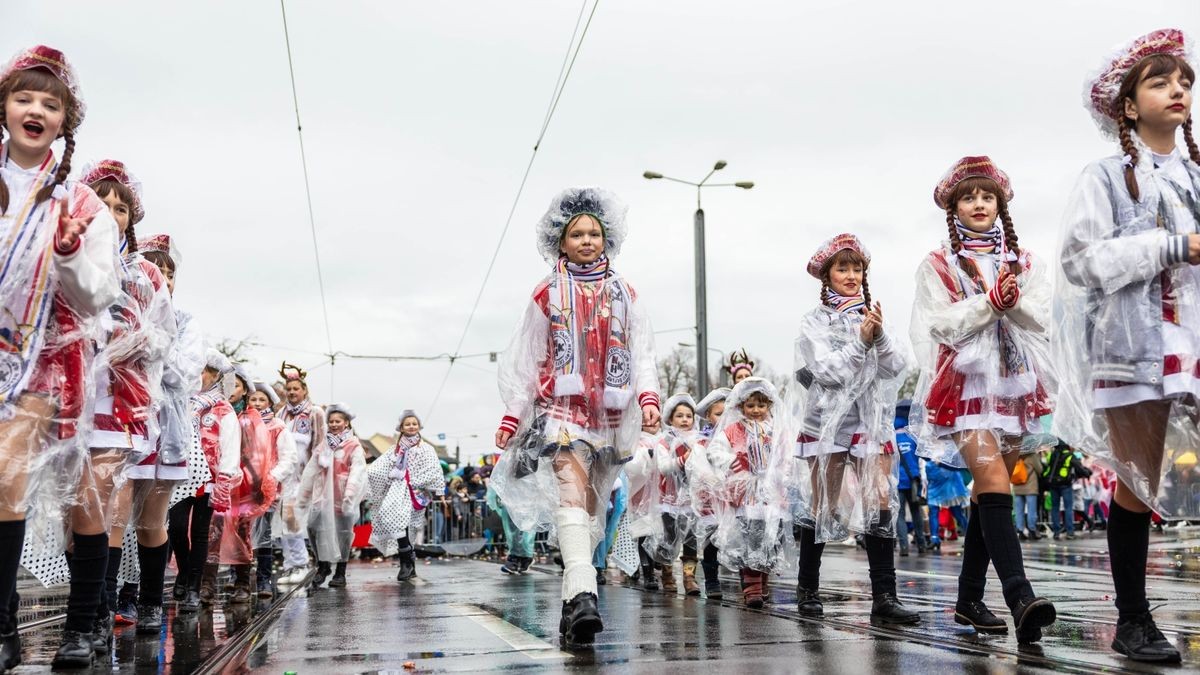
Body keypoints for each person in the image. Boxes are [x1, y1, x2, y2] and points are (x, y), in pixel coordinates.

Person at [1055, 29, 1199, 662]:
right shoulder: (1107, 177)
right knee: (1137, 481)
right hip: (1134, 349)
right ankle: (1133, 621)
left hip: (1192, 343)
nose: (1178, 89)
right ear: (1128, 105)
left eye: (1185, 79)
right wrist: (1172, 245)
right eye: (1160, 80)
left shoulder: (1195, 174)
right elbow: (1080, 261)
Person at [491, 187, 660, 649]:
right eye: (577, 234)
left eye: (594, 233)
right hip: (561, 412)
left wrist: (648, 398)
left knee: (591, 508)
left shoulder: (626, 293)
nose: (587, 240)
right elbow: (528, 361)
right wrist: (513, 418)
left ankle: (572, 603)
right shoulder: (546, 294)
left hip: (610, 417)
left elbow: (642, 353)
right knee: (570, 491)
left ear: (607, 238)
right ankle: (586, 596)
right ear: (559, 241)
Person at [0, 45, 122, 670]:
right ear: (4, 106)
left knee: (18, 479)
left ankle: (75, 624)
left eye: (50, 103)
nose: (35, 110)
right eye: (24, 97)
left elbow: (100, 293)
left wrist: (70, 253)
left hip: (45, 359)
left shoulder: (81, 204)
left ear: (66, 119)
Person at [910, 156, 1057, 643]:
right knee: (994, 481)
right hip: (967, 385)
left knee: (987, 492)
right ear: (953, 207)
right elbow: (938, 324)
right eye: (969, 197)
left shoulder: (1026, 260)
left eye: (986, 196)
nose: (978, 204)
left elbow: (1043, 319)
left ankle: (969, 598)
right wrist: (988, 303)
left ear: (1000, 204)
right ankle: (1019, 595)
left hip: (1015, 385)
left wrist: (1013, 304)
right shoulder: (937, 264)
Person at [791, 234, 918, 624]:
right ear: (826, 276)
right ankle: (808, 588)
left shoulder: (875, 316)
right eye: (842, 268)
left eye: (857, 268)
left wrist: (877, 337)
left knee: (881, 498)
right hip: (826, 424)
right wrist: (860, 345)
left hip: (871, 421)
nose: (851, 275)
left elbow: (896, 368)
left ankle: (885, 596)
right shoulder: (812, 323)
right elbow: (826, 374)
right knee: (824, 504)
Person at [690, 378, 792, 609]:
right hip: (746, 493)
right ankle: (752, 587)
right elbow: (715, 451)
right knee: (750, 537)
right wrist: (734, 463)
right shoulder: (732, 430)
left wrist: (781, 475)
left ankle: (763, 580)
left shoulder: (775, 430)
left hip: (771, 493)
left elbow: (786, 456)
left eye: (761, 405)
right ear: (740, 407)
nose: (756, 410)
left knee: (770, 538)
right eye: (750, 406)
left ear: (769, 406)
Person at [177, 351, 241, 613]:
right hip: (180, 476)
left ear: (214, 376)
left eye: (202, 371)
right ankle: (184, 572)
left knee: (200, 533)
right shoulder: (182, 401)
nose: (197, 376)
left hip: (208, 480)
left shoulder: (222, 409)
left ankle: (193, 586)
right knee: (176, 530)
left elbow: (230, 445)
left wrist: (224, 480)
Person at [366, 410, 444, 581]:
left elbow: (433, 469)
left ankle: (409, 565)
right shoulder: (395, 449)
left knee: (410, 527)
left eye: (414, 423)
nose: (411, 426)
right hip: (398, 491)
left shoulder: (425, 448)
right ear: (401, 427)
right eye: (407, 424)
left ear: (419, 426)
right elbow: (380, 467)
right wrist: (369, 473)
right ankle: (405, 563)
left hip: (416, 492)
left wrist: (416, 481)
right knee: (393, 519)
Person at [297, 403, 366, 588]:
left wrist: (349, 496)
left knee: (342, 534)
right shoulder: (323, 446)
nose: (334, 424)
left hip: (342, 499)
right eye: (331, 421)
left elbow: (357, 471)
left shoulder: (353, 446)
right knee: (314, 528)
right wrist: (303, 496)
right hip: (322, 498)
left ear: (346, 423)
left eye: (338, 421)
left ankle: (340, 572)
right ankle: (323, 566)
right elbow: (311, 469)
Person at [275, 362, 325, 584]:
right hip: (284, 476)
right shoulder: (281, 414)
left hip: (303, 477)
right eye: (289, 389)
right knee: (283, 522)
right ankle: (290, 565)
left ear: (304, 390)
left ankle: (302, 563)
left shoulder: (314, 413)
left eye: (296, 388)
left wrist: (316, 476)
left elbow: (320, 445)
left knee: (291, 518)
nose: (292, 392)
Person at [247, 380, 297, 598]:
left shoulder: (277, 427)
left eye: (262, 400)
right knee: (240, 533)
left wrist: (271, 478)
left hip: (266, 490)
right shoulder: (241, 422)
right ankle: (235, 577)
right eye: (253, 399)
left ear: (269, 403)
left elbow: (289, 457)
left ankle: (264, 579)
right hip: (242, 488)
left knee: (263, 533)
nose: (257, 403)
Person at [647, 393, 700, 595]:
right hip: (669, 498)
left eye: (689, 416)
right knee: (669, 536)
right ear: (670, 419)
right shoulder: (664, 442)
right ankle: (667, 573)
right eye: (680, 416)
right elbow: (664, 467)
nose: (685, 419)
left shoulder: (698, 441)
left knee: (691, 539)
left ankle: (689, 577)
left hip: (691, 498)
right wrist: (683, 459)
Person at [893, 401, 927, 556]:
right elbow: (922, 459)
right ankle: (922, 544)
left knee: (899, 514)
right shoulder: (913, 438)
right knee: (916, 512)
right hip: (913, 479)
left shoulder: (892, 438)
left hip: (897, 481)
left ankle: (904, 546)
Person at [1043, 441, 1081, 540]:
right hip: (1065, 484)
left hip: (1053, 484)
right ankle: (1070, 532)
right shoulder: (1069, 455)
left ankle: (1056, 532)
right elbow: (1078, 467)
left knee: (1055, 508)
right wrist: (1087, 473)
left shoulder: (1052, 454)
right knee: (1068, 508)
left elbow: (1047, 466)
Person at [1012, 447, 1044, 540]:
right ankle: (1032, 530)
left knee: (1019, 511)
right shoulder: (1032, 455)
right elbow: (1040, 469)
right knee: (1031, 510)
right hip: (1030, 487)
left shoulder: (1016, 454)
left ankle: (1020, 530)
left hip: (1017, 486)